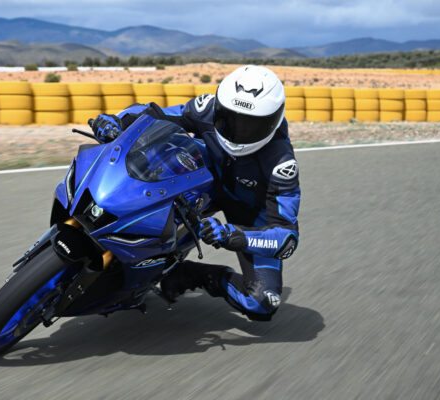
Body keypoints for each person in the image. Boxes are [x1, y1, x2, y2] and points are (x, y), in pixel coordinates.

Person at [89, 65, 300, 321]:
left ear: (273, 122)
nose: (238, 132)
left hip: (249, 213)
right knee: (161, 149)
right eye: (229, 120)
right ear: (220, 106)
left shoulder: (282, 164)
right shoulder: (206, 108)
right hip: (200, 178)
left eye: (251, 126)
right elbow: (153, 114)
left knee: (263, 302)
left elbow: (287, 238)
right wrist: (117, 121)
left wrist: (235, 236)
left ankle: (191, 274)